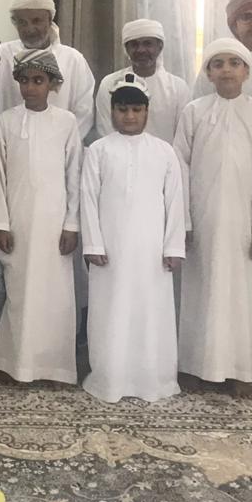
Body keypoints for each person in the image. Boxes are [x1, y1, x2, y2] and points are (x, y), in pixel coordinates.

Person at [174, 38, 252, 397]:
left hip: (243, 223)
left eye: (234, 63)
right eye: (218, 64)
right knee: (199, 291)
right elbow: (179, 168)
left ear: (246, 71)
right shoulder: (194, 112)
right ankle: (195, 367)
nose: (226, 70)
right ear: (208, 73)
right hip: (201, 219)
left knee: (241, 295)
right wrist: (183, 222)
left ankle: (241, 370)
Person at [80, 74, 186, 403]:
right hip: (110, 250)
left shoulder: (164, 151)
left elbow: (175, 201)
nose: (129, 116)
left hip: (151, 250)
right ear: (111, 111)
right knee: (111, 311)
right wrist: (93, 244)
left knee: (150, 312)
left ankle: (153, 379)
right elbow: (88, 198)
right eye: (122, 109)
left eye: (136, 110)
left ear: (147, 112)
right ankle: (110, 378)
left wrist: (173, 247)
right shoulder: (98, 150)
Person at [0, 49, 83, 385]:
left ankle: (55, 367)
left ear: (52, 84)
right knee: (19, 293)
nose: (30, 87)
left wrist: (72, 224)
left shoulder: (66, 122)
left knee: (54, 296)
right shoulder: (7, 120)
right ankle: (15, 364)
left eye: (38, 80)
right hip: (18, 221)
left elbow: (74, 176)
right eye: (25, 80)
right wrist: (0, 223)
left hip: (54, 224)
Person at [0, 0, 96, 138]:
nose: (30, 29)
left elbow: (84, 111)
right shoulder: (2, 54)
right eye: (22, 22)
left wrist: (63, 142)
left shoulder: (73, 59)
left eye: (36, 21)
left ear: (50, 20)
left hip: (60, 144)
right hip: (12, 142)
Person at [95, 19, 189, 142]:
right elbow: (105, 133)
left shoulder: (178, 88)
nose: (141, 50)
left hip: (165, 154)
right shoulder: (109, 84)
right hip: (116, 153)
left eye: (147, 44)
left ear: (160, 47)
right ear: (126, 49)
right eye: (134, 44)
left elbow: (182, 138)